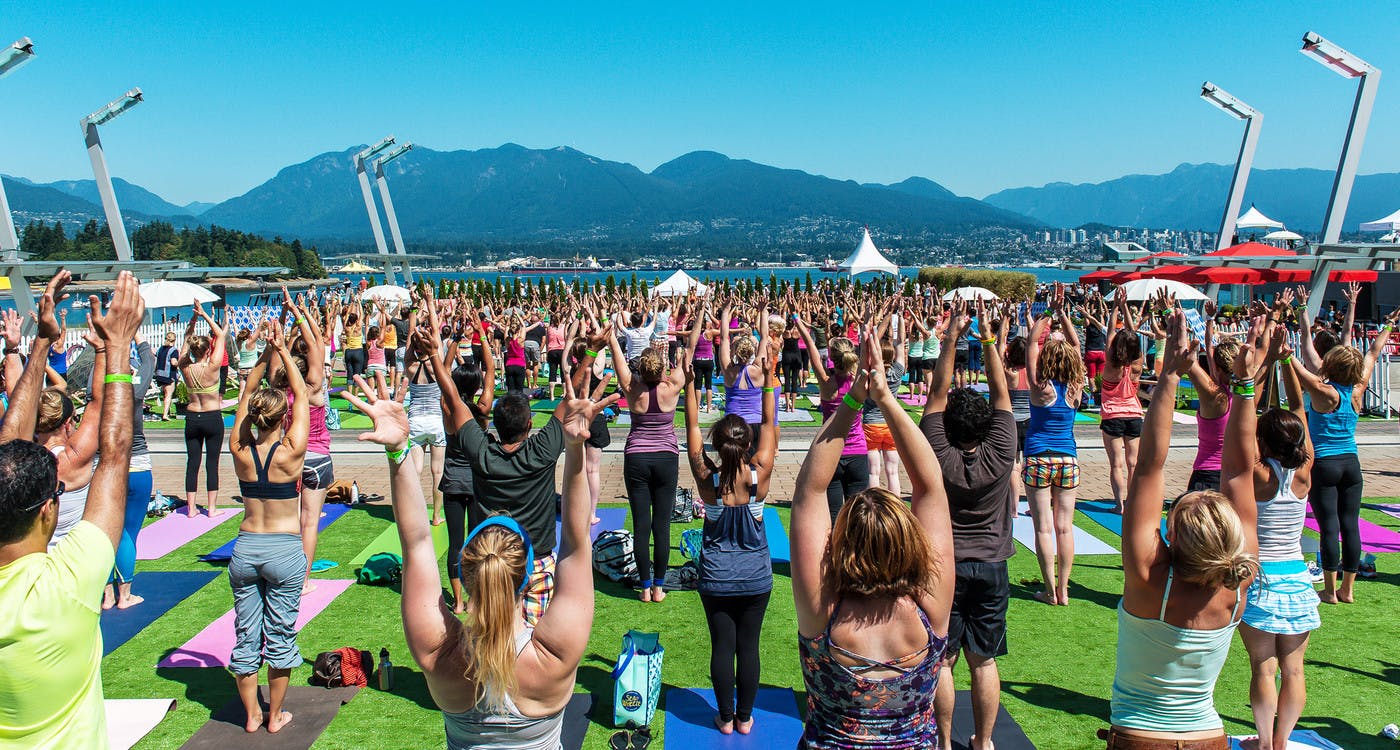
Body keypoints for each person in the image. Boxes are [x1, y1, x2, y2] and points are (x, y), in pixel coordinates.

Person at [347, 364, 613, 750]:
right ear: (526, 574)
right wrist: (574, 450)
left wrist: (399, 452)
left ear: (466, 574)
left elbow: (418, 543)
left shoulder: (439, 652)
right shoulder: (556, 654)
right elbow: (574, 542)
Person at [790, 328, 954, 748]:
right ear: (909, 544)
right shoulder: (928, 608)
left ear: (842, 544)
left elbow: (809, 490)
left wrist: (853, 402)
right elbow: (930, 486)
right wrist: (884, 396)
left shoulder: (823, 611)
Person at [1106, 309, 1260, 750]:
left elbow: (1150, 469)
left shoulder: (1150, 576)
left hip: (1140, 737)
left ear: (1173, 537)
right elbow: (1240, 473)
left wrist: (1171, 377)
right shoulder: (1237, 582)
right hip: (1208, 736)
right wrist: (1244, 387)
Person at [0, 270, 142, 747]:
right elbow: (116, 447)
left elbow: (9, 451)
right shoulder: (67, 584)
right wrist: (114, 348)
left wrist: (36, 344)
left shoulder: (20, 471)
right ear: (47, 510)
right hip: (71, 570)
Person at [923, 300, 1017, 750]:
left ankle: (943, 741)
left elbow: (937, 394)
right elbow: (1001, 393)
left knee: (942, 661)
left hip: (944, 566)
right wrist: (988, 339)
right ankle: (983, 742)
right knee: (984, 661)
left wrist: (951, 339)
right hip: (991, 564)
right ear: (985, 426)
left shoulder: (937, 450)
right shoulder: (1001, 447)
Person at [682, 320, 777, 734]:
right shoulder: (760, 475)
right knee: (748, 648)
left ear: (718, 444)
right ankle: (744, 718)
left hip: (717, 576)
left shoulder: (708, 480)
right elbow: (770, 427)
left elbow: (689, 436)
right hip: (756, 577)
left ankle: (724, 717)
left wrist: (688, 385)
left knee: (723, 647)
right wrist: (770, 380)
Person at [226, 322, 310, 734]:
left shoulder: (240, 450)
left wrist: (262, 357)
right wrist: (282, 351)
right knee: (280, 635)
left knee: (246, 637)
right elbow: (305, 395)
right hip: (283, 549)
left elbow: (244, 398)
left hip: (246, 547)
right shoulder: (291, 452)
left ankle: (252, 716)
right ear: (281, 417)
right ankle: (274, 716)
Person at [1240, 328, 1318, 750]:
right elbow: (1300, 412)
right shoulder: (1304, 472)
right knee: (1295, 671)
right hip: (1298, 578)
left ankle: (1266, 742)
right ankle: (1281, 743)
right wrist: (1286, 363)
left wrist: (1262, 364)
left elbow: (1245, 419)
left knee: (1262, 669)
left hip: (1262, 578)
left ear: (1264, 442)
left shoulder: (1259, 474)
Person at [1288, 307, 1397, 603]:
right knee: (1350, 524)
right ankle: (1347, 590)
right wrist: (1387, 323)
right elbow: (1373, 352)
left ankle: (1329, 589)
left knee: (1329, 527)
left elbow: (1299, 369)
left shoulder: (1326, 393)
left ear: (1331, 365)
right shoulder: (1358, 390)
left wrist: (1284, 352)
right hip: (1352, 464)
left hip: (1324, 464)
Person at [441, 370, 566, 625]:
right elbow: (570, 399)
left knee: (494, 643)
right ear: (529, 425)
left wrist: (434, 355)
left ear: (496, 425)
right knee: (534, 645)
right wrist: (591, 351)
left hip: (492, 567)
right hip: (537, 562)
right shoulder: (541, 450)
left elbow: (453, 400)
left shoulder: (481, 452)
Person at [428, 307, 498, 613]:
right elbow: (492, 369)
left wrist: (454, 340)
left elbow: (442, 373)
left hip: (455, 481)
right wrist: (480, 333)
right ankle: (472, 599)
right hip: (479, 481)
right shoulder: (481, 410)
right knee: (478, 543)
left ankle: (458, 601)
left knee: (456, 543)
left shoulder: (449, 408)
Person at [608, 325, 684, 603]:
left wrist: (611, 339)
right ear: (662, 367)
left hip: (637, 459)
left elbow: (617, 358)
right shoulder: (672, 387)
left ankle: (644, 586)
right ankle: (659, 588)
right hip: (666, 459)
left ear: (642, 368)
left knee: (641, 525)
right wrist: (698, 322)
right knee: (661, 526)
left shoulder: (632, 388)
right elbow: (688, 356)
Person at [1023, 283, 1084, 605]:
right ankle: (1064, 589)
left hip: (1037, 457)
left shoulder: (1039, 387)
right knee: (1065, 528)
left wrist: (1047, 311)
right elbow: (1075, 344)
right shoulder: (1075, 386)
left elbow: (1032, 341)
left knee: (1044, 529)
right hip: (1068, 459)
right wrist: (1064, 314)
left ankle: (1050, 591)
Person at [795, 313, 869, 520]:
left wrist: (795, 317)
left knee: (835, 515)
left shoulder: (827, 383)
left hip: (830, 453)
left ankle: (837, 552)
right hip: (857, 452)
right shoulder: (859, 383)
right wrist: (868, 325)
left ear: (832, 359)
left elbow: (810, 347)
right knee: (859, 516)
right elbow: (867, 354)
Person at [105, 331, 157, 609]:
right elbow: (148, 363)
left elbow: (93, 376)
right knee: (128, 532)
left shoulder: (99, 394)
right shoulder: (135, 393)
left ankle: (107, 594)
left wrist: (106, 345)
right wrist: (138, 339)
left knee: (104, 532)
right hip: (136, 464)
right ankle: (124, 595)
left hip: (104, 468)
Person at [179, 302, 229, 517]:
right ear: (208, 349)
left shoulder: (186, 367)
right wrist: (204, 316)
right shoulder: (213, 365)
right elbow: (220, 334)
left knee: (193, 462)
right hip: (211, 416)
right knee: (212, 463)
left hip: (193, 416)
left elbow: (184, 341)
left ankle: (191, 509)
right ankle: (212, 508)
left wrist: (192, 322)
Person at [1099, 295, 1145, 513]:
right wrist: (1125, 306)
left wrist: (1115, 308)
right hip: (1134, 414)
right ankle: (1135, 501)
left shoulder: (1110, 362)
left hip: (1112, 415)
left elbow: (1110, 331)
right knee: (1133, 463)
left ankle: (1120, 505)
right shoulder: (1138, 363)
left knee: (1117, 463)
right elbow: (1133, 334)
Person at [862, 308, 906, 495]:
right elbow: (900, 343)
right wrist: (901, 318)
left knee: (873, 471)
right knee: (893, 471)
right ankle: (895, 502)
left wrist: (882, 320)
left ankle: (874, 502)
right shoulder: (897, 371)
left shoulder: (872, 374)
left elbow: (868, 345)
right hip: (891, 424)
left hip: (871, 424)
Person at [718, 302, 766, 426]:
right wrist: (762, 312)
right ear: (752, 353)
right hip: (755, 423)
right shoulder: (758, 370)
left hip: (731, 423)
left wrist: (725, 311)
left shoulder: (729, 370)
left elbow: (723, 338)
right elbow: (764, 338)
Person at [155, 331, 180, 420]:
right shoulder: (174, 350)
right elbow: (173, 362)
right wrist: (180, 362)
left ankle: (167, 412)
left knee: (165, 394)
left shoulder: (160, 349)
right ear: (174, 340)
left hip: (159, 374)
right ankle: (165, 414)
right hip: (169, 374)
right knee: (168, 394)